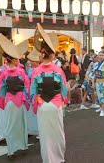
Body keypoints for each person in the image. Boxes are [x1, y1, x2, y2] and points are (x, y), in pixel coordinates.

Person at [30, 23, 67, 163]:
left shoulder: (36, 71)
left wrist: (35, 105)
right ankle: (59, 159)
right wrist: (63, 102)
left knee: (45, 135)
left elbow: (32, 91)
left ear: (42, 54)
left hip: (42, 105)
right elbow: (64, 89)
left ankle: (48, 159)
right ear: (52, 55)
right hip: (55, 104)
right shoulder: (58, 70)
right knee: (57, 133)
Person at [0, 34, 30, 158]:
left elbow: (1, 89)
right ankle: (22, 145)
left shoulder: (3, 73)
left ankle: (11, 150)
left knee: (10, 124)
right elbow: (27, 85)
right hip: (20, 100)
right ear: (14, 60)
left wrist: (3, 99)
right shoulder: (21, 71)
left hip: (10, 100)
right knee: (20, 124)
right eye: (17, 59)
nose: (18, 60)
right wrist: (26, 97)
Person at [26, 49, 41, 136]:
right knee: (32, 111)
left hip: (38, 92)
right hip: (31, 91)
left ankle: (39, 130)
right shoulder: (31, 69)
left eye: (31, 61)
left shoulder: (39, 69)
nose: (30, 62)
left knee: (38, 110)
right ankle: (33, 129)